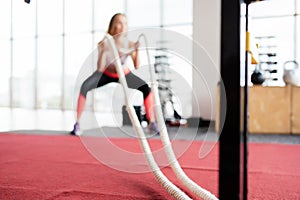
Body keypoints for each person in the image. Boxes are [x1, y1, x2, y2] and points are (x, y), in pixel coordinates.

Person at [70, 13, 160, 135]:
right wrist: (103, 51)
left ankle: (152, 123)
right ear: (113, 25)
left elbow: (137, 65)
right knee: (84, 87)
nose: (122, 25)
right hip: (106, 73)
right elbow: (100, 68)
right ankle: (77, 124)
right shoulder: (106, 42)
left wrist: (136, 50)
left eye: (125, 22)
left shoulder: (129, 44)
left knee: (146, 89)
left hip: (123, 74)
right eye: (119, 22)